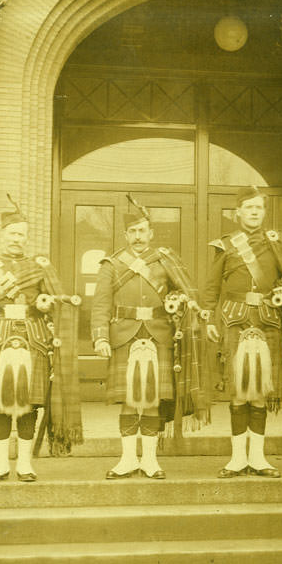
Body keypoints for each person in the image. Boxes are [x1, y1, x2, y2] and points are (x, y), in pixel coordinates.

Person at [91, 198, 210, 480]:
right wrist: (100, 337)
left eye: (143, 231)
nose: (138, 237)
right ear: (125, 235)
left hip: (159, 336)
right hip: (123, 336)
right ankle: (128, 460)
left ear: (151, 232)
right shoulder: (112, 264)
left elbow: (189, 294)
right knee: (130, 400)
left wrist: (179, 302)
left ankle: (151, 461)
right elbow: (100, 304)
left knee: (154, 400)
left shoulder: (165, 260)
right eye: (132, 232)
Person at [0, 196, 82, 482]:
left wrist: (46, 305)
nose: (17, 239)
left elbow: (56, 303)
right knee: (1, 407)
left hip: (34, 340)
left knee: (29, 406)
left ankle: (26, 464)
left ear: (27, 238)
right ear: (2, 235)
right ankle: (0, 465)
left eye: (22, 235)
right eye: (12, 233)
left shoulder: (40, 266)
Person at [203, 186, 282, 478]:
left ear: (264, 212)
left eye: (258, 208)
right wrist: (209, 320)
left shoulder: (279, 243)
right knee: (239, 393)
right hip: (235, 322)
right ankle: (237, 459)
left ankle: (259, 458)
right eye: (248, 208)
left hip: (268, 323)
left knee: (261, 393)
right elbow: (212, 287)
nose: (254, 212)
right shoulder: (225, 245)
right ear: (238, 212)